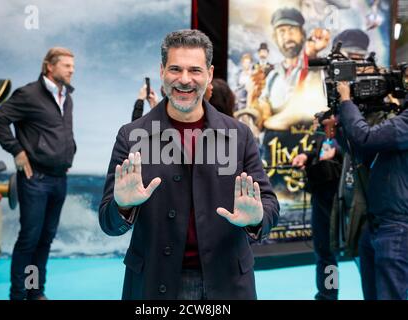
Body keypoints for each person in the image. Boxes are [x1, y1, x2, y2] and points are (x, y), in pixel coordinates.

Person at [99, 29, 280, 300]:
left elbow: (269, 204)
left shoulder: (239, 135)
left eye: (195, 70)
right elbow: (108, 222)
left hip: (228, 282)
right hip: (156, 283)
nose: (184, 80)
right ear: (162, 72)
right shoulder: (132, 135)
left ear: (209, 74)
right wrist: (123, 205)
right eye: (175, 69)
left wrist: (257, 219)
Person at [0, 47, 76, 300]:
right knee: (30, 238)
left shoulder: (66, 96)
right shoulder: (28, 94)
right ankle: (18, 294)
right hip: (35, 179)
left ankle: (35, 292)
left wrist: (69, 152)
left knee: (46, 239)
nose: (72, 70)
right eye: (67, 66)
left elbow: (63, 131)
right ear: (50, 67)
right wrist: (17, 150)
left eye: (73, 66)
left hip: (60, 179)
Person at [336, 79, 408, 300]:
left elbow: (366, 138)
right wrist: (341, 126)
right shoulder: (400, 119)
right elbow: (361, 151)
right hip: (379, 223)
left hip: (397, 227)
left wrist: (346, 101)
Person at [255, 7, 330, 131]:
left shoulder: (317, 67)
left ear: (302, 34)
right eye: (282, 32)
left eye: (292, 30)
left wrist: (312, 55)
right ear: (275, 38)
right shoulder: (272, 76)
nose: (287, 36)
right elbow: (263, 110)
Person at [292, 115, 343, 300]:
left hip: (349, 199)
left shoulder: (353, 121)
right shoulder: (325, 126)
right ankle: (328, 295)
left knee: (363, 252)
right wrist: (306, 156)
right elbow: (317, 148)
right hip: (323, 197)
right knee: (326, 252)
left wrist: (338, 151)